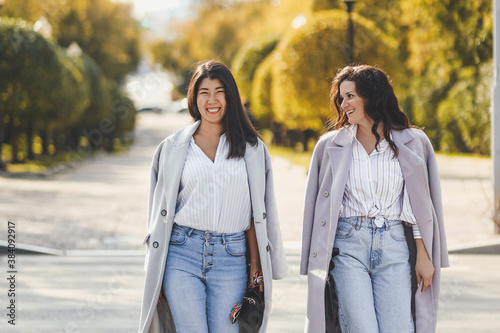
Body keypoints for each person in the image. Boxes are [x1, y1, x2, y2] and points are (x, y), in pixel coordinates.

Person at [138, 60, 288, 333]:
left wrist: (257, 268)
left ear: (230, 97)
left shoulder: (252, 150)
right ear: (194, 99)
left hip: (231, 259)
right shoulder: (171, 148)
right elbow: (156, 215)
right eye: (204, 92)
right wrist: (155, 273)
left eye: (219, 91)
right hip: (181, 255)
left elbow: (259, 215)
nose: (212, 100)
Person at [300, 65, 449, 333]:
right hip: (348, 246)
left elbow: (418, 205)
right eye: (341, 98)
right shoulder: (330, 145)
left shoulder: (413, 142)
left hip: (394, 245)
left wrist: (424, 255)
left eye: (351, 96)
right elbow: (315, 210)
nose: (343, 104)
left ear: (371, 95)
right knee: (361, 328)